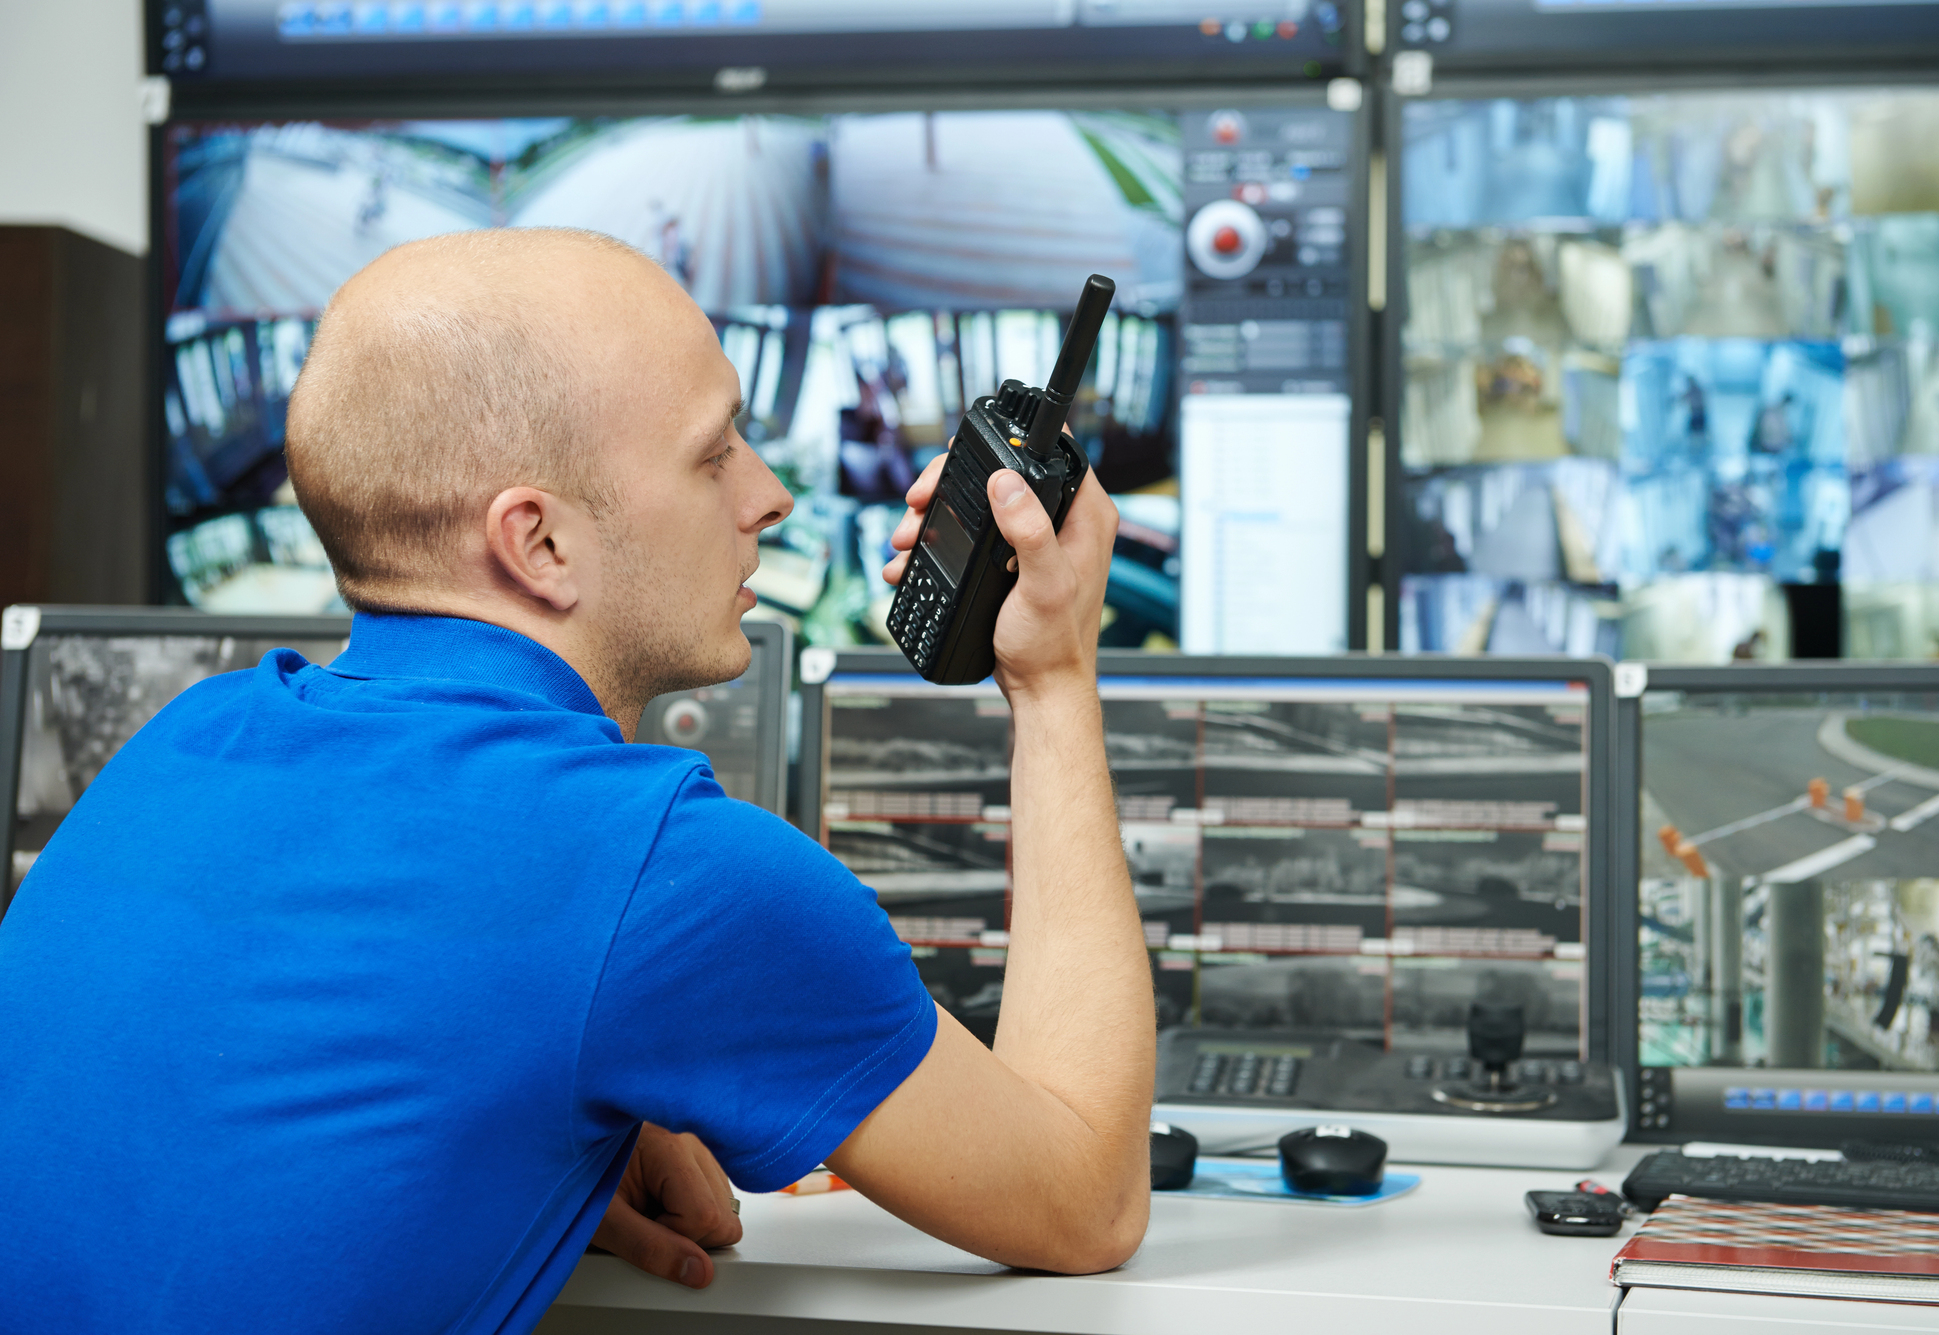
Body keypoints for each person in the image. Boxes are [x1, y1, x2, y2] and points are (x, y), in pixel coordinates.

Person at [0, 229, 1153, 1332]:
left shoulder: (183, 741)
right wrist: (1051, 679)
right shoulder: (666, 874)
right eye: (713, 454)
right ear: (539, 543)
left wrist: (546, 1114)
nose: (769, 497)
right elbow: (1084, 1198)